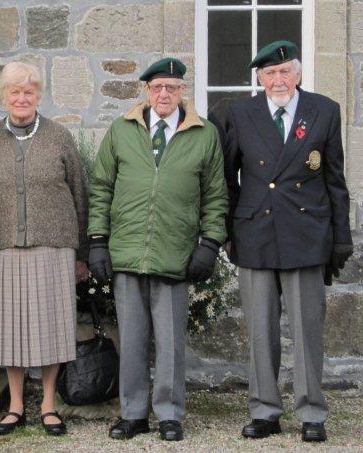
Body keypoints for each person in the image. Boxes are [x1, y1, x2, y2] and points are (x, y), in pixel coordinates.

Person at [88, 57, 228, 442]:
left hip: (175, 254)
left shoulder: (204, 135)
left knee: (169, 342)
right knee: (131, 339)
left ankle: (169, 414)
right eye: (156, 87)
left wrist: (210, 245)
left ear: (183, 90)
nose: (164, 94)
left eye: (172, 87)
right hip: (128, 253)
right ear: (146, 92)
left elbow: (216, 197)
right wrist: (98, 241)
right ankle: (133, 414)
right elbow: (101, 188)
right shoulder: (122, 130)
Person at [224, 40, 352, 443]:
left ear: (298, 74)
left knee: (307, 329)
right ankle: (264, 410)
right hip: (256, 232)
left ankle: (312, 411)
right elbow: (228, 180)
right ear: (259, 78)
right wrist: (229, 232)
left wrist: (340, 240)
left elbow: (335, 180)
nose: (277, 80)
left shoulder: (324, 110)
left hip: (306, 233)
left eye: (285, 72)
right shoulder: (239, 114)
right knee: (260, 330)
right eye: (269, 73)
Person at [0, 61, 89, 436]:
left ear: (39, 95)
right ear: (3, 96)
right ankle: (16, 406)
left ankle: (49, 404)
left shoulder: (59, 138)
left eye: (29, 92)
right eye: (14, 92)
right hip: (6, 245)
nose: (21, 98)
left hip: (54, 246)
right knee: (11, 330)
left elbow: (80, 195)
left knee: (52, 328)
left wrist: (82, 252)